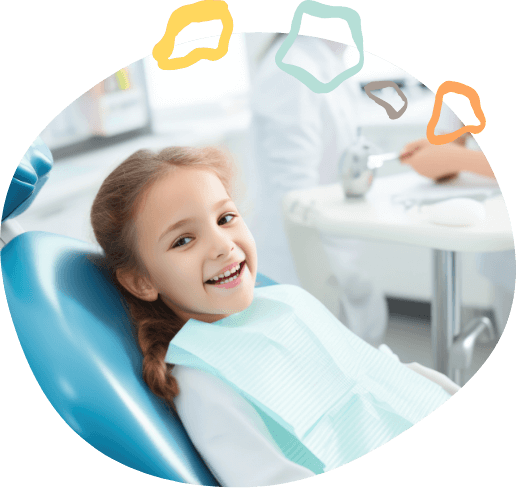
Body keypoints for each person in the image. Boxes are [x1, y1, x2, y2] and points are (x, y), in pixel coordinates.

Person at [90, 144, 460, 487]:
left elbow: (378, 371)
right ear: (141, 282)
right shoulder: (201, 377)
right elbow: (265, 476)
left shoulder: (288, 303)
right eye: (183, 240)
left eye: (226, 217)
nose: (223, 245)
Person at [246, 33, 388, 348]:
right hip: (298, 261)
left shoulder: (328, 64)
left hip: (335, 247)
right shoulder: (290, 70)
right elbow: (294, 195)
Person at [400, 133, 515, 339]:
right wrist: (442, 153)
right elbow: (459, 136)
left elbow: (459, 153)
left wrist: (460, 158)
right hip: (502, 249)